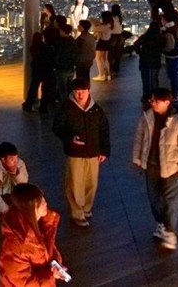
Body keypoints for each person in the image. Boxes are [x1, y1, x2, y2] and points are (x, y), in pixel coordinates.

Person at [131, 88, 178, 251]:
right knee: (154, 199)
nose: (153, 104)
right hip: (151, 166)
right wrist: (138, 157)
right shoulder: (147, 118)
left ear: (167, 102)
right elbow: (139, 138)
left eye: (156, 101)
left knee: (170, 201)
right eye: (152, 101)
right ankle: (162, 224)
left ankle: (170, 231)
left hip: (171, 169)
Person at [52, 78, 110, 227]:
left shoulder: (96, 110)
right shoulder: (66, 109)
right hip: (75, 153)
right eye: (77, 92)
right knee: (74, 183)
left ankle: (86, 208)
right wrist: (70, 138)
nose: (80, 95)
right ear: (73, 92)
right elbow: (57, 128)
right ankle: (77, 212)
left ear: (88, 91)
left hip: (93, 152)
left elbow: (104, 131)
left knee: (91, 182)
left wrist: (104, 150)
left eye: (82, 92)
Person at [0, 183, 67, 286]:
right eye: (40, 201)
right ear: (29, 208)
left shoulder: (41, 224)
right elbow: (24, 282)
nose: (45, 203)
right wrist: (51, 276)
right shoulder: (14, 246)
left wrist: (56, 264)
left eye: (43, 198)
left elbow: (49, 248)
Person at [22, 33, 55, 114]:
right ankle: (43, 107)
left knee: (33, 87)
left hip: (37, 70)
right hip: (46, 70)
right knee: (45, 89)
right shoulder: (46, 47)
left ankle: (28, 104)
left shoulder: (33, 48)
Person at [133, 21, 164, 104]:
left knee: (146, 80)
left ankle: (146, 96)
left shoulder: (145, 37)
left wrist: (140, 52)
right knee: (154, 79)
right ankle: (155, 96)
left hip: (145, 61)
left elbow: (135, 44)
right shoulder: (160, 38)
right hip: (156, 62)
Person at [51, 23, 78, 103]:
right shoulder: (72, 41)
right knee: (69, 87)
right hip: (71, 68)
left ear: (62, 31)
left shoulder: (59, 42)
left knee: (62, 89)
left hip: (61, 68)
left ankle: (65, 105)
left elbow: (57, 55)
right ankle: (71, 103)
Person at [160, 21, 178, 101]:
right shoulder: (175, 30)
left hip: (171, 56)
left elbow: (169, 47)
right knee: (174, 74)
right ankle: (175, 93)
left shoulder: (168, 33)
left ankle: (175, 94)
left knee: (172, 75)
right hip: (177, 55)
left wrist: (162, 50)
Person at [91, 10, 114, 81]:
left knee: (98, 58)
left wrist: (94, 23)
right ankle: (108, 75)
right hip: (107, 42)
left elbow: (94, 27)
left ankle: (101, 75)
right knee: (105, 59)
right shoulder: (110, 25)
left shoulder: (104, 26)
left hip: (102, 42)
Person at [108, 3, 125, 74]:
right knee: (118, 53)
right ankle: (116, 67)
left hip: (112, 36)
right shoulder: (120, 17)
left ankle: (110, 67)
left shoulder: (111, 17)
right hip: (120, 36)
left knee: (111, 53)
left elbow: (109, 27)